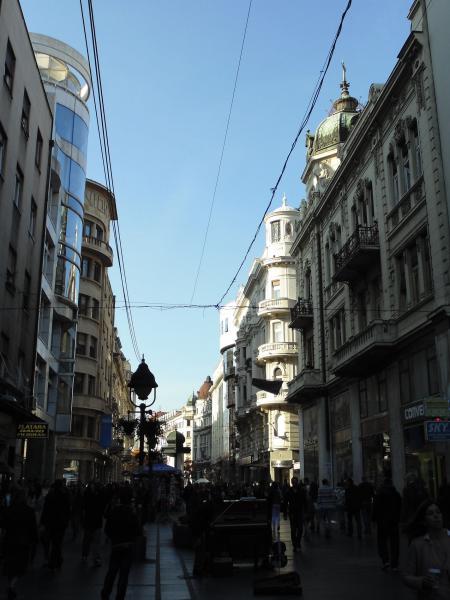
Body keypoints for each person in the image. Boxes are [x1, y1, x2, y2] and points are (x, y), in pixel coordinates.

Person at [403, 500, 450, 599]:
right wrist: (422, 582)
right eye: (430, 513)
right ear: (424, 521)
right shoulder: (417, 545)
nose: (436, 516)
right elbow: (407, 576)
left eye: (438, 512)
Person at [101, 488, 140, 600]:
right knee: (124, 574)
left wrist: (114, 538)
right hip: (127, 547)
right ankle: (120, 596)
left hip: (116, 546)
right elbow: (137, 530)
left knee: (112, 571)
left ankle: (105, 592)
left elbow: (107, 529)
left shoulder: (114, 511)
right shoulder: (132, 513)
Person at [1, 488, 38, 600]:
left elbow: (3, 525)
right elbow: (32, 528)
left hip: (10, 541)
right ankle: (12, 585)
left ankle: (11, 584)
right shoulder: (29, 511)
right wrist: (34, 540)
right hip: (23, 542)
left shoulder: (9, 510)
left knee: (10, 564)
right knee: (20, 566)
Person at [372, 475, 402, 571]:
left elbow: (375, 507)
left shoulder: (379, 494)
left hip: (382, 522)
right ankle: (395, 564)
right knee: (394, 543)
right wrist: (398, 518)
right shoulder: (396, 494)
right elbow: (400, 507)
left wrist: (373, 519)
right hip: (393, 522)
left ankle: (385, 561)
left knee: (382, 542)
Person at [40, 479, 71, 570]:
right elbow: (67, 510)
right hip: (60, 523)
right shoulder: (64, 496)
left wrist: (43, 522)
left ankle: (56, 560)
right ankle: (56, 561)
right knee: (57, 543)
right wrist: (66, 521)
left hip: (51, 523)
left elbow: (45, 510)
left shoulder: (50, 496)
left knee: (53, 542)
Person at [82, 482, 106, 566]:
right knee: (88, 540)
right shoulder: (88, 495)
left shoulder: (97, 495)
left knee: (93, 541)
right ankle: (86, 555)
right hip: (91, 521)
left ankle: (94, 557)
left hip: (93, 521)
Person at [287, 477, 307, 552]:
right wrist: (286, 513)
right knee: (293, 529)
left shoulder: (301, 491)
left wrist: (305, 511)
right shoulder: (289, 491)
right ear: (292, 483)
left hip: (299, 512)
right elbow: (286, 501)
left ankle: (298, 542)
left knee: (300, 529)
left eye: (295, 482)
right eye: (293, 482)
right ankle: (295, 544)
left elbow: (304, 501)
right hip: (292, 512)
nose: (294, 483)